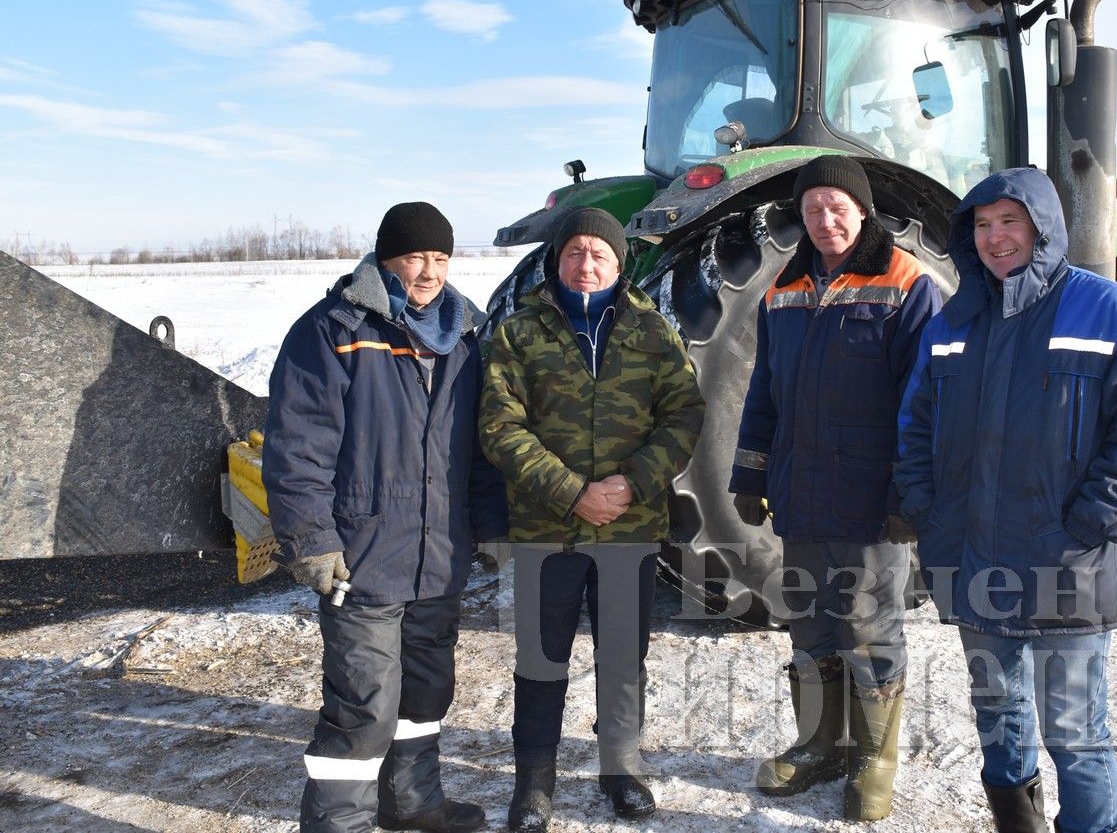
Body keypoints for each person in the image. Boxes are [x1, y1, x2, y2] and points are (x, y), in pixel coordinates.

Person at [894, 167, 1117, 833]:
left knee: (1074, 731)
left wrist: (1088, 524)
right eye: (982, 224)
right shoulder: (954, 319)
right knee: (998, 719)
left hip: (1066, 563)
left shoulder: (1106, 310)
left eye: (1009, 221)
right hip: (975, 559)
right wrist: (930, 512)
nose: (995, 238)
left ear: (1043, 227)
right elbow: (914, 424)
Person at [263, 201, 507, 833]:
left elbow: (478, 452)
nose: (427, 272)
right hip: (365, 554)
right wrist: (311, 538)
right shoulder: (333, 331)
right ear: (384, 258)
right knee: (364, 702)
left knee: (425, 693)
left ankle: (411, 802)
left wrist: (494, 526)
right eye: (413, 257)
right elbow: (299, 447)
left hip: (440, 556)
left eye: (440, 258)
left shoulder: (465, 338)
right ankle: (338, 823)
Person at [727, 154, 941, 822]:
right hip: (801, 492)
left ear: (862, 211)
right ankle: (820, 744)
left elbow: (926, 401)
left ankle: (873, 758)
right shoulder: (781, 291)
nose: (825, 220)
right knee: (810, 622)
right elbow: (763, 392)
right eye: (813, 209)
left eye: (836, 207)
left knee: (867, 625)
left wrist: (911, 492)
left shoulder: (907, 284)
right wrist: (748, 473)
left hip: (870, 498)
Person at [479, 206, 705, 832]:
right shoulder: (519, 334)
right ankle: (534, 779)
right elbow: (500, 426)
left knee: (623, 654)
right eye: (575, 252)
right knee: (542, 657)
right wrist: (572, 491)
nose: (586, 264)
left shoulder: (653, 332)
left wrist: (631, 484)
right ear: (558, 260)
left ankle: (621, 767)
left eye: (599, 253)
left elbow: (685, 414)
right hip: (547, 526)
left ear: (617, 262)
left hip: (629, 529)